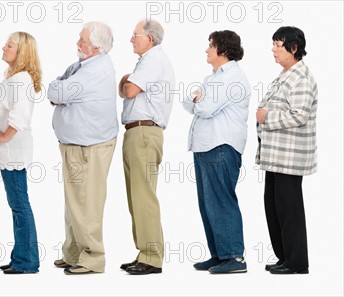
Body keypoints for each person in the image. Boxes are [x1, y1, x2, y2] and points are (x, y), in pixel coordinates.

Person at [48, 21, 118, 275]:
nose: (77, 42)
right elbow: (55, 86)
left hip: (89, 147)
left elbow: (58, 92)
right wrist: (58, 89)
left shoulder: (93, 71)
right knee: (74, 203)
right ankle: (74, 253)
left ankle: (93, 259)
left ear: (97, 47)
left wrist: (59, 91)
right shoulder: (82, 65)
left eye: (83, 40)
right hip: (76, 144)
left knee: (86, 203)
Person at [183, 31, 251, 274]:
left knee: (221, 201)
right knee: (207, 203)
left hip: (220, 146)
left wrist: (199, 101)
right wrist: (198, 100)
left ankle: (234, 257)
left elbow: (206, 107)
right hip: (205, 146)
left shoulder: (233, 77)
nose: (206, 50)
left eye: (210, 45)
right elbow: (189, 102)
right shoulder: (212, 77)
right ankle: (219, 255)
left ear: (223, 49)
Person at [256, 26, 317, 275]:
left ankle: (297, 262)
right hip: (275, 156)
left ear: (293, 48)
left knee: (289, 209)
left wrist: (266, 116)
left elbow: (299, 115)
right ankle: (285, 257)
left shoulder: (301, 77)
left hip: (289, 156)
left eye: (277, 45)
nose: (273, 49)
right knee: (273, 206)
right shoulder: (284, 75)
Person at [0, 32, 42, 274]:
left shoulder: (22, 80)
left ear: (22, 52)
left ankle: (27, 261)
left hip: (13, 153)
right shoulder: (13, 78)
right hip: (8, 154)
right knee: (17, 204)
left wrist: (5, 135)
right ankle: (21, 257)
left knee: (20, 205)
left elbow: (21, 114)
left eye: (10, 45)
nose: (4, 47)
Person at [118, 19, 174, 275]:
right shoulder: (146, 61)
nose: (131, 39)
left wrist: (128, 83)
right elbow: (126, 87)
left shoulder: (153, 60)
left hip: (144, 131)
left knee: (143, 197)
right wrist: (127, 82)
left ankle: (151, 257)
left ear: (149, 38)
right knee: (136, 197)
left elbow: (128, 91)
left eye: (135, 34)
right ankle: (145, 251)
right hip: (136, 131)